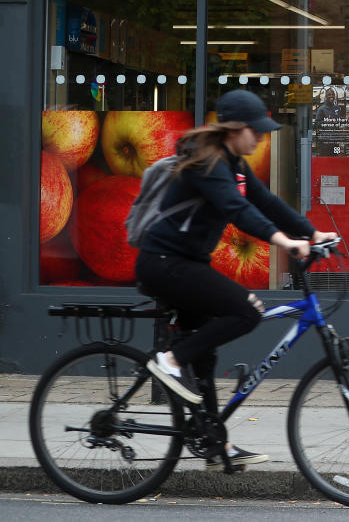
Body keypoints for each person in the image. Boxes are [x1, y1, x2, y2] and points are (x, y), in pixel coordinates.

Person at [136, 89, 338, 470]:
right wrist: (284, 243)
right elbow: (238, 210)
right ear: (233, 129)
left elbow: (269, 204)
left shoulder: (235, 164)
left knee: (206, 352)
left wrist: (311, 234)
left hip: (185, 263)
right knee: (246, 311)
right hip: (165, 264)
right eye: (255, 130)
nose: (261, 137)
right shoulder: (207, 163)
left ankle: (214, 444)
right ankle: (170, 360)